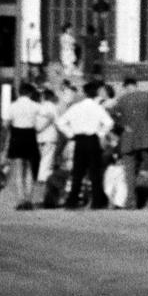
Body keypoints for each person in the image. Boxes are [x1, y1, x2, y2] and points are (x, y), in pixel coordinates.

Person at [110, 76, 148, 208]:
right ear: (136, 85)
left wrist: (123, 124)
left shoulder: (123, 99)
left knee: (129, 171)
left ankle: (131, 200)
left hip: (128, 137)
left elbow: (112, 113)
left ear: (126, 87)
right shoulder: (147, 96)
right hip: (144, 137)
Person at [57, 80, 113, 209]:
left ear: (85, 93)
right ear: (96, 93)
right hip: (92, 140)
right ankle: (97, 202)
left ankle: (72, 201)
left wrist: (71, 134)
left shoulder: (76, 107)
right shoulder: (97, 107)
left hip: (79, 140)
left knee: (77, 172)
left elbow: (61, 122)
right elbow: (109, 122)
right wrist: (100, 133)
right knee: (95, 172)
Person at [3, 85, 53, 210]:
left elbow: (5, 123)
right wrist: (40, 128)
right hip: (30, 135)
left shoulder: (13, 106)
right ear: (30, 93)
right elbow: (50, 116)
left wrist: (11, 129)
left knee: (19, 169)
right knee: (31, 168)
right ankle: (29, 200)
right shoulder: (35, 105)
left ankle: (21, 200)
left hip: (17, 134)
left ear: (19, 92)